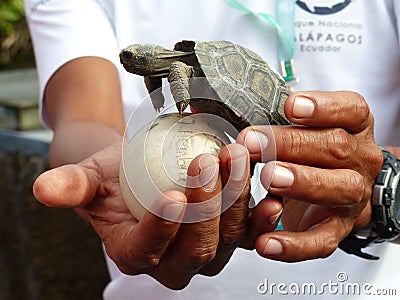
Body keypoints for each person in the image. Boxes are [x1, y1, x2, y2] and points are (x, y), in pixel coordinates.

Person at [25, 0, 400, 299]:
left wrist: (380, 191)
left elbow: (178, 79)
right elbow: (82, 118)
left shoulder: (181, 70)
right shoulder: (173, 66)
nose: (132, 65)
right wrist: (116, 173)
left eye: (136, 62)